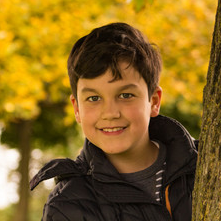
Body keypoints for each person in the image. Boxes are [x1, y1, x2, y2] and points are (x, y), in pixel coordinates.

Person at [30, 23, 198, 221]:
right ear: (77, 109)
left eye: (125, 95)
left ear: (154, 101)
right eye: (94, 98)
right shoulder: (66, 206)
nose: (110, 113)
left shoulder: (204, 166)